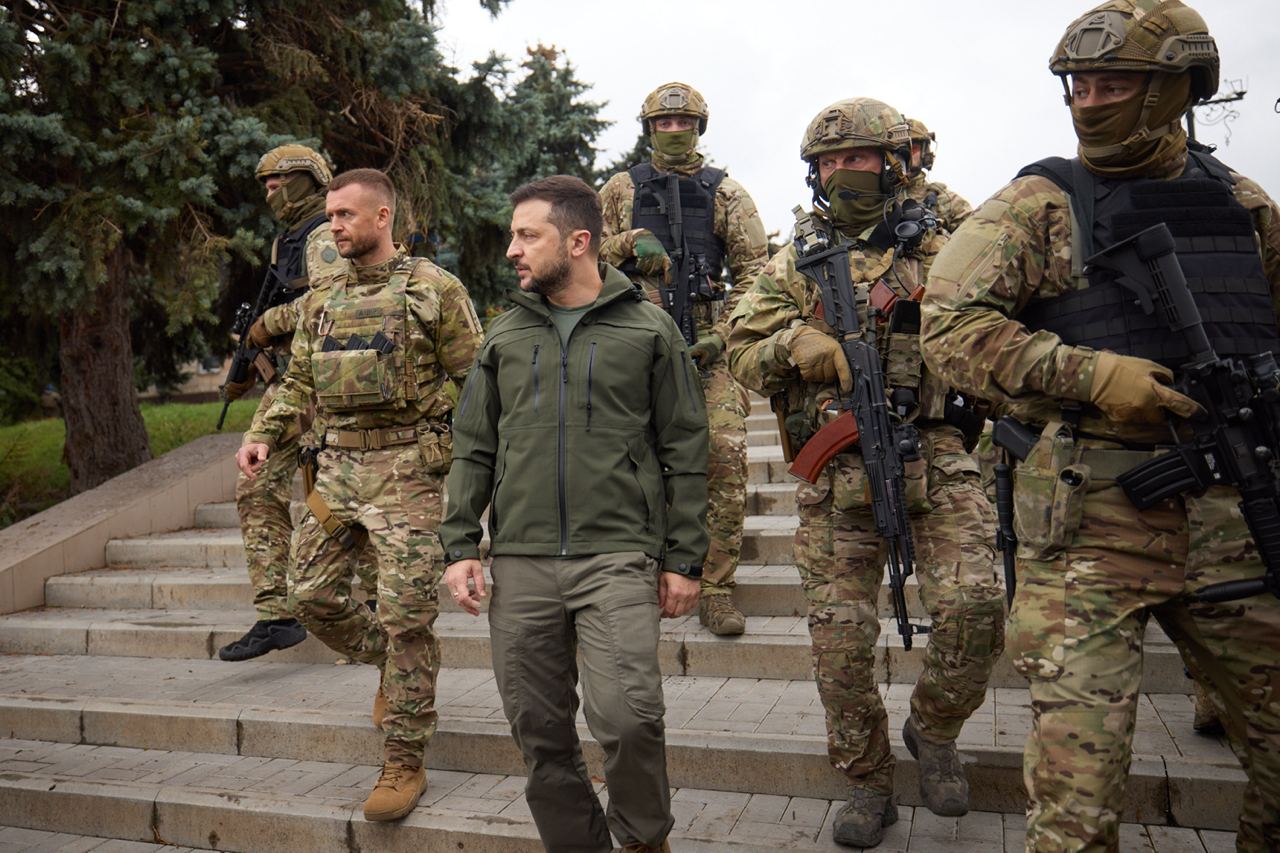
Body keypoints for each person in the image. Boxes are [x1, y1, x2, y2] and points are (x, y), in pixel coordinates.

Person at [918, 2, 1280, 849]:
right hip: (1091, 525)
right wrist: (1090, 374)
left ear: (1175, 89)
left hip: (1233, 516)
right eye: (1079, 84)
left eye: (1113, 84)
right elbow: (949, 328)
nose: (1089, 101)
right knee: (1075, 812)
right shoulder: (1037, 204)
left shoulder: (1242, 205)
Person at [726, 98, 1003, 848]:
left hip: (937, 454)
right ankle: (867, 780)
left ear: (894, 163)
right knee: (841, 646)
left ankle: (934, 729)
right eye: (828, 161)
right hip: (837, 468)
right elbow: (739, 347)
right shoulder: (797, 259)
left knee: (976, 607)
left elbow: (999, 325)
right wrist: (792, 345)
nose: (841, 172)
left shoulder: (945, 245)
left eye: (857, 157)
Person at [439, 175, 708, 853]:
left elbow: (685, 447)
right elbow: (473, 446)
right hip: (522, 560)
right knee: (538, 730)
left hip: (616, 554)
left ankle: (644, 840)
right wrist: (461, 545)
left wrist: (684, 557)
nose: (512, 250)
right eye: (513, 236)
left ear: (578, 241)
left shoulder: (649, 329)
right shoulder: (505, 335)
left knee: (630, 717)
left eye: (528, 235)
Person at [237, 168, 483, 821]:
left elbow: (479, 387)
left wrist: (480, 477)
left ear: (382, 217)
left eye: (345, 214)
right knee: (310, 596)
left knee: (407, 616)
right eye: (330, 215)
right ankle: (391, 662)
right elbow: (297, 383)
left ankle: (404, 758)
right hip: (338, 469)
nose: (334, 226)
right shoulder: (322, 300)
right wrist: (263, 433)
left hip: (409, 473)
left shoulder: (433, 289)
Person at [597, 82, 768, 636]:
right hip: (634, 344)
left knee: (724, 455)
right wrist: (629, 243)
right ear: (649, 129)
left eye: (684, 123)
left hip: (706, 347)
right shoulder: (620, 189)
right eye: (664, 124)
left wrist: (723, 335)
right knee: (629, 460)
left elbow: (757, 273)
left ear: (700, 128)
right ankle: (639, 576)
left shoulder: (727, 193)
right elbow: (582, 252)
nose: (674, 131)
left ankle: (714, 587)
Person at [218, 144, 353, 662]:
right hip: (292, 380)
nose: (271, 195)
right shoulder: (288, 241)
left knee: (336, 493)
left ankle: (360, 604)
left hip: (323, 379)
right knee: (259, 487)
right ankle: (277, 613)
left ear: (305, 181)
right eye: (266, 187)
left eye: (278, 185)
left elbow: (334, 301)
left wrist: (267, 324)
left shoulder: (324, 235)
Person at [902, 118, 973, 234]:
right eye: (897, 149)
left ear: (924, 153)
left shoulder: (946, 200)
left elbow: (976, 236)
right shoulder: (874, 198)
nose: (905, 155)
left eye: (912, 149)